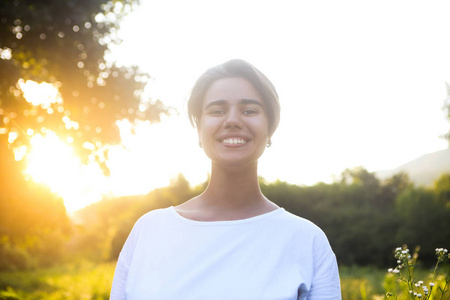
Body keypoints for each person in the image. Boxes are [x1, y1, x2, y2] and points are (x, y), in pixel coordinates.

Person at [110, 59, 341, 300]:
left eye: (249, 111)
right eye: (217, 110)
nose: (232, 120)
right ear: (199, 129)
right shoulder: (148, 231)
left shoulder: (307, 241)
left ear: (270, 128)